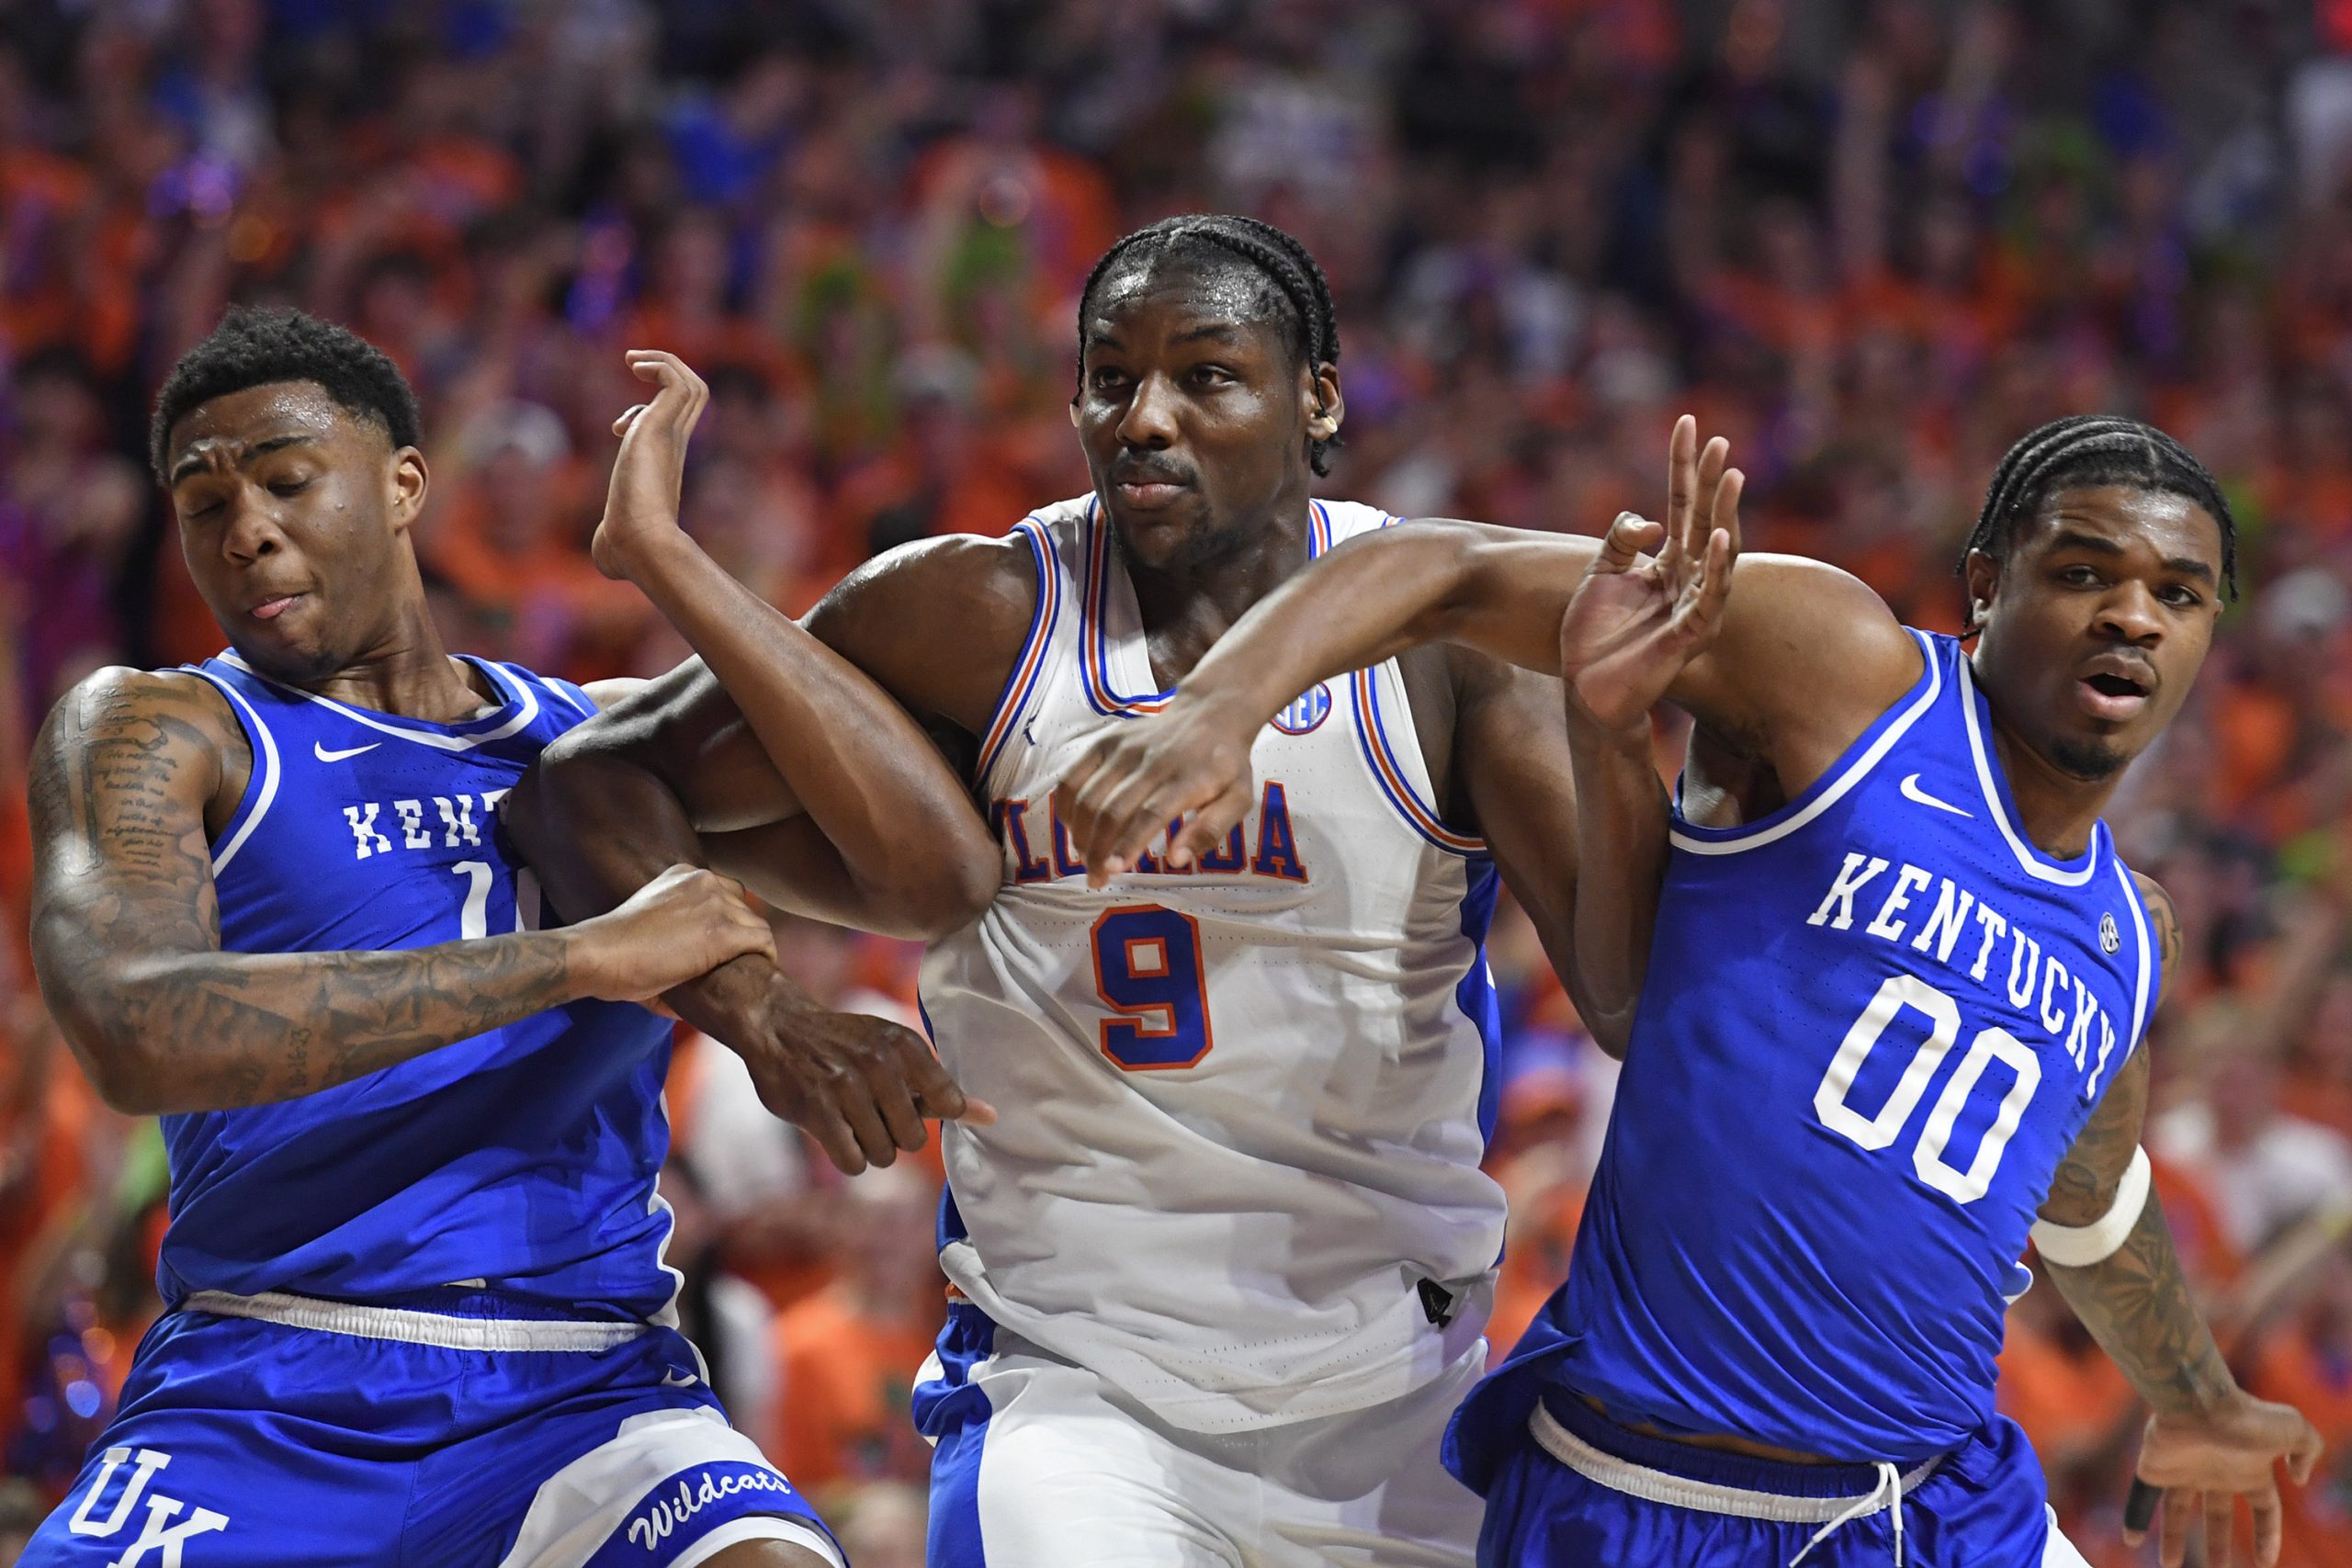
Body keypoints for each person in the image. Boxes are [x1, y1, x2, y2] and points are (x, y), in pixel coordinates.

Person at [512, 214, 1633, 1567]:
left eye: (1207, 377)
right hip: (1078, 1391)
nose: (1146, 417)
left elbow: (1627, 995)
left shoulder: (1449, 648)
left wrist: (1618, 734)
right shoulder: (976, 613)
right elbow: (589, 783)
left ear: (1317, 398)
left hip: (1398, 1397)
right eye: (1112, 378)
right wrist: (770, 1021)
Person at [1059, 413, 2326, 1566]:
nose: (2133, 618)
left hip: (1934, 1508)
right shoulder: (1850, 675)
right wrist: (1215, 711)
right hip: (1643, 1490)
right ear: (1987, 584)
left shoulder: (2131, 932)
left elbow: (2091, 1203)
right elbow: (1446, 569)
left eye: (2179, 594)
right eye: (2085, 572)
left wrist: (2198, 1398)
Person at [16, 307, 980, 1567]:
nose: (246, 527)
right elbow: (137, 1029)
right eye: (204, 507)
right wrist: (580, 958)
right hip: (263, 1384)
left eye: (289, 482)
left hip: (589, 1398)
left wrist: (670, 561)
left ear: (406, 484)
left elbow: (930, 872)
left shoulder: (597, 744)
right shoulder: (159, 730)